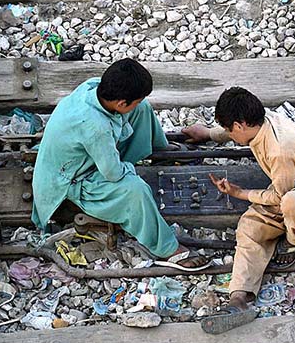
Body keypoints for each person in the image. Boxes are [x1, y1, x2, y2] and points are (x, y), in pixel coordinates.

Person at [183, 87, 295, 333]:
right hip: (290, 188)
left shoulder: (279, 149)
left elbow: (280, 196)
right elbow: (231, 134)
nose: (230, 133)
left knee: (291, 202)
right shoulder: (260, 121)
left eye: (230, 129)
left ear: (239, 126)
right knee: (249, 227)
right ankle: (239, 299)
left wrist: (239, 193)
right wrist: (207, 134)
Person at [31, 58, 207, 268]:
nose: (137, 102)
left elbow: (128, 111)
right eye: (132, 100)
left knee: (141, 109)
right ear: (121, 103)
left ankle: (160, 150)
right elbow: (113, 173)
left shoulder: (93, 86)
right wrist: (131, 172)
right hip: (72, 180)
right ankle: (167, 250)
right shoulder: (95, 127)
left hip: (80, 156)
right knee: (136, 191)